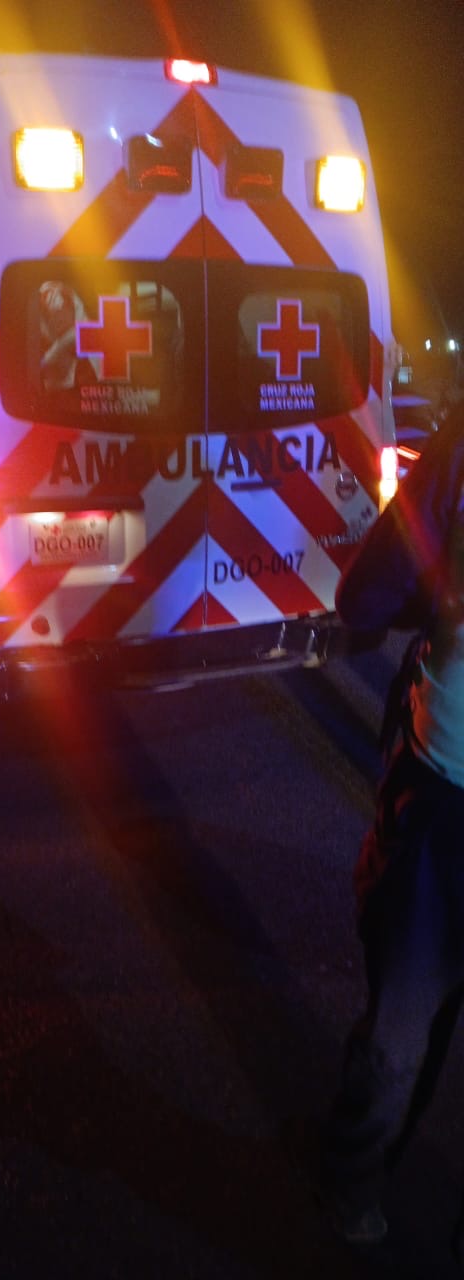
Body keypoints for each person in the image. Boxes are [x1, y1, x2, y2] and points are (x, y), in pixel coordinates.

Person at [319, 402, 464, 1257]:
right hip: (445, 803)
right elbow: (365, 594)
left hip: (444, 802)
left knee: (403, 1035)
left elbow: (367, 595)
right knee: (402, 1036)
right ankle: (353, 1182)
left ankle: (355, 1182)